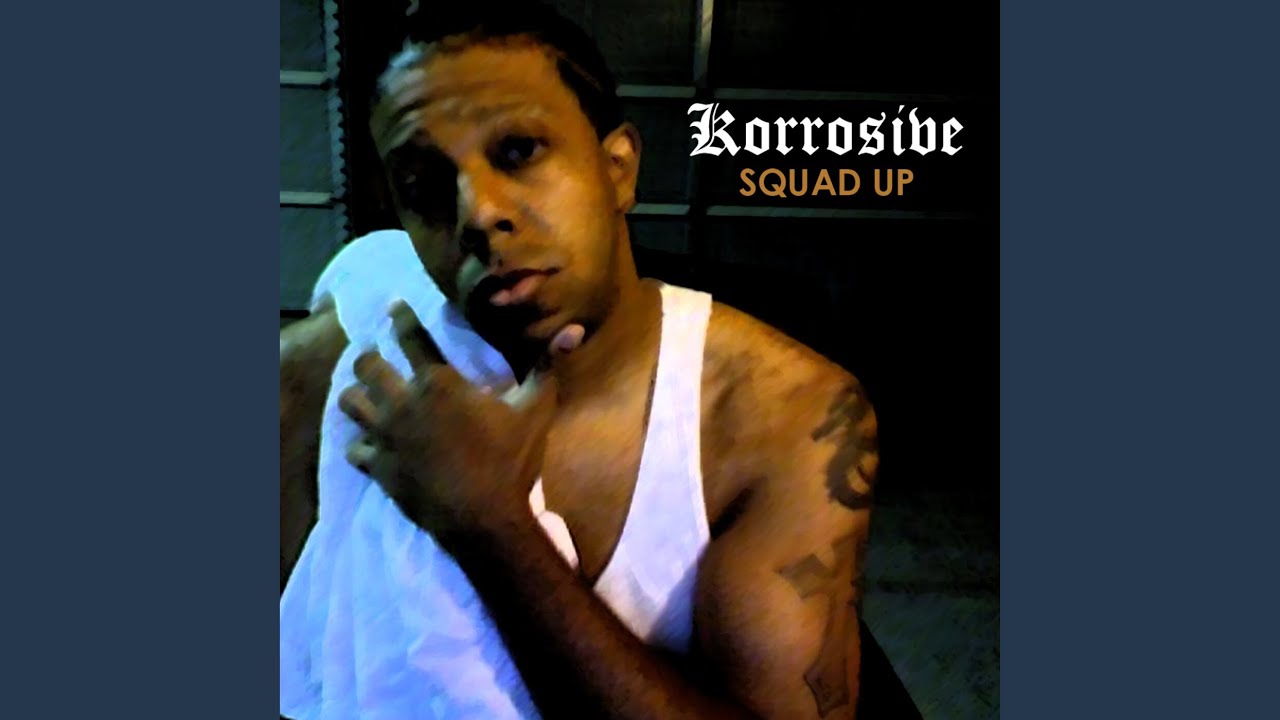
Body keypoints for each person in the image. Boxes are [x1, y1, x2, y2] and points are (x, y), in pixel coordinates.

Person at [280, 2, 886, 718]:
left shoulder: (785, 418)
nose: (478, 213)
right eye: (423, 188)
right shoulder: (345, 380)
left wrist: (492, 526)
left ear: (618, 169)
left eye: (518, 152)